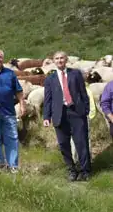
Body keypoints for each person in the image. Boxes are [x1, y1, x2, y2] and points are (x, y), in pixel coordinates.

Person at [43, 51, 91, 181]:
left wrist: (85, 109)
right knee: (63, 144)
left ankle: (85, 170)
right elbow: (48, 100)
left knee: (81, 142)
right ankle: (71, 169)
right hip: (60, 114)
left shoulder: (75, 74)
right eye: (57, 58)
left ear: (66, 59)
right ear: (54, 61)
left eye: (62, 58)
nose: (59, 60)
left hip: (76, 112)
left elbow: (83, 93)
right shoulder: (50, 79)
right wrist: (46, 117)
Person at [70, 79, 96, 163]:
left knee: (85, 139)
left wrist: (89, 116)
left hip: (84, 118)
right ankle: (75, 159)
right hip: (73, 119)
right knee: (74, 139)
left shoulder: (87, 91)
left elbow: (91, 105)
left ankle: (87, 160)